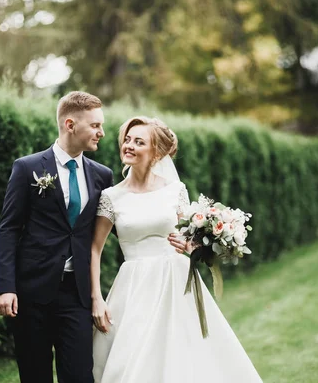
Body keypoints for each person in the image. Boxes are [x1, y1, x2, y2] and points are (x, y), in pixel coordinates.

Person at [90, 116, 262, 382]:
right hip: (133, 286)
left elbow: (189, 237)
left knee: (182, 355)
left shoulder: (175, 190)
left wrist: (191, 245)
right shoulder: (112, 196)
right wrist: (97, 298)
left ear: (156, 152)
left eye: (139, 141)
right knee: (133, 356)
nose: (129, 146)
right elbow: (94, 249)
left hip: (175, 281)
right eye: (127, 139)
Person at [0, 91, 114, 383]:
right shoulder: (28, 168)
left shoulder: (102, 175)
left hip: (77, 293)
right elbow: (9, 228)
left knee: (80, 375)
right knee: (35, 375)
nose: (102, 132)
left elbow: (118, 225)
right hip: (32, 292)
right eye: (95, 125)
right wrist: (4, 286)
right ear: (70, 124)